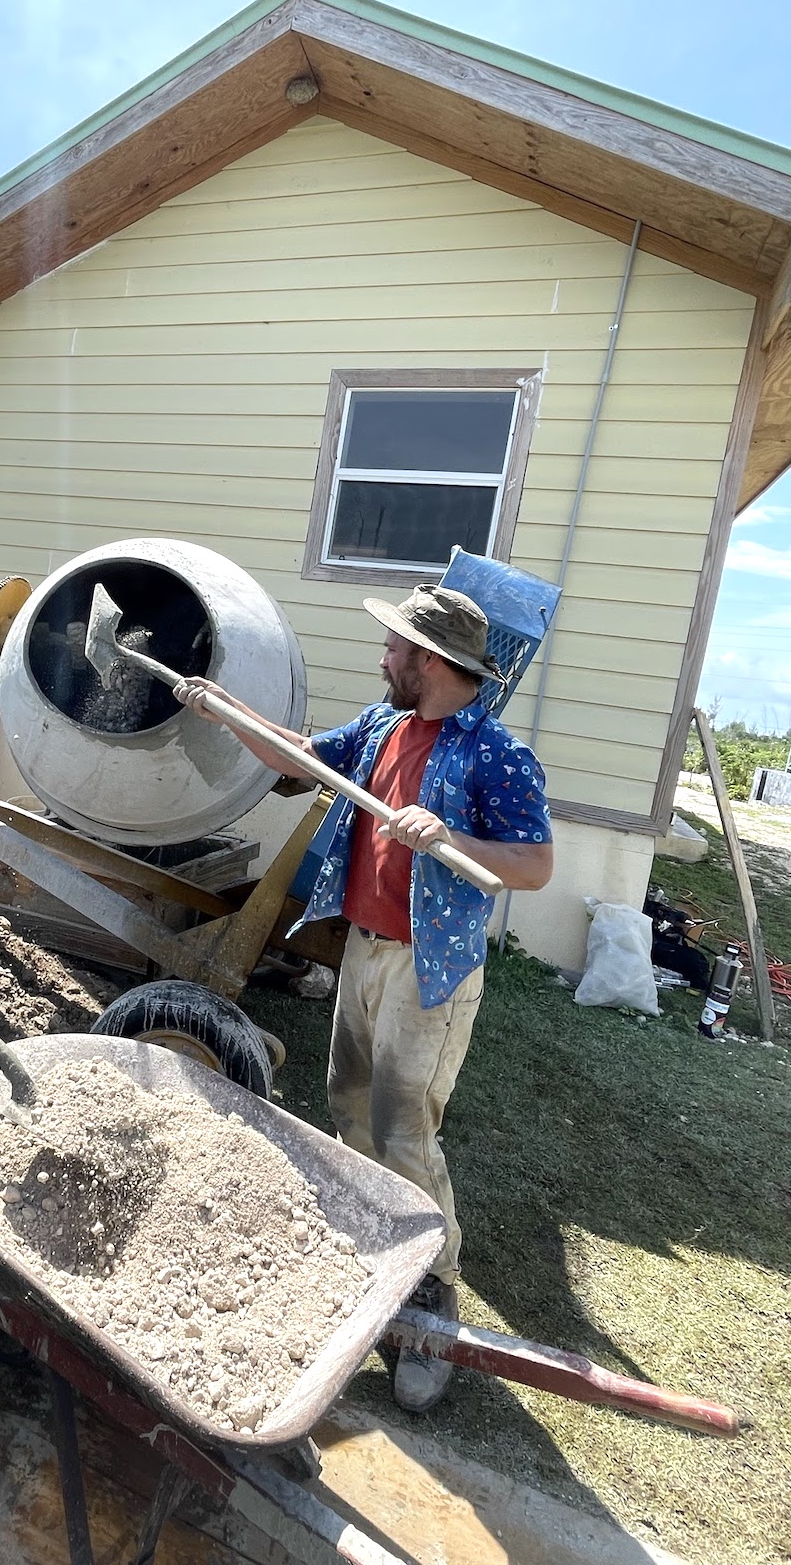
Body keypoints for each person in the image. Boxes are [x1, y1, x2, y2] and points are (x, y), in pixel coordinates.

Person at [175, 584, 552, 1410]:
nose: (383, 659)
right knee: (349, 1101)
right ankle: (373, 1249)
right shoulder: (384, 726)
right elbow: (300, 756)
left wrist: (449, 836)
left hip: (431, 969)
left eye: (395, 648)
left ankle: (430, 1298)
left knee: (402, 1128)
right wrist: (223, 710)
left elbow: (533, 865)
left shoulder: (495, 755)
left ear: (431, 661)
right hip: (365, 950)